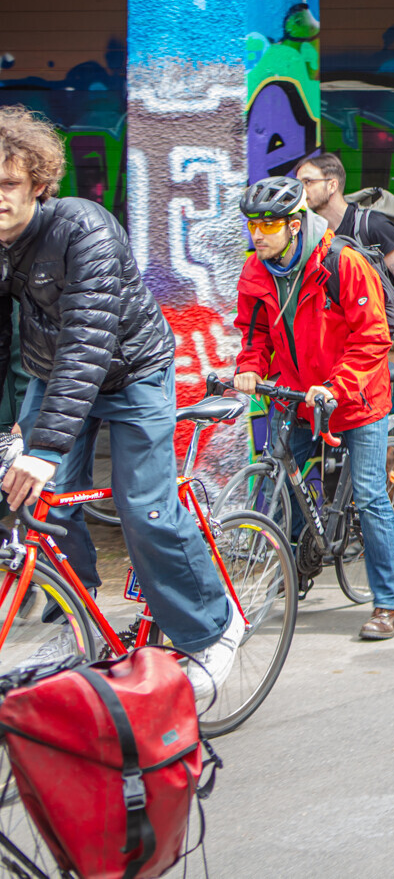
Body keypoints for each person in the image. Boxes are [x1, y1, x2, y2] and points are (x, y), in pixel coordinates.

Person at [0, 106, 242, 698]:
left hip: (131, 374)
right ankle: (78, 624)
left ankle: (211, 628)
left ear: (37, 182)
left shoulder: (83, 229)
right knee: (43, 508)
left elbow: (88, 340)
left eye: (7, 183)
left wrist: (43, 447)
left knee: (145, 508)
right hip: (52, 376)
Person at [232, 177, 394, 641]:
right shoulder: (256, 270)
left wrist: (336, 386)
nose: (258, 233)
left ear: (293, 224)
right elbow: (255, 335)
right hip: (299, 396)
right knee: (284, 481)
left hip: (358, 397)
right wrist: (249, 367)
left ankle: (386, 602)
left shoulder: (341, 263)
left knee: (369, 494)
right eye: (253, 224)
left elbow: (373, 340)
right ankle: (299, 564)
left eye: (268, 224)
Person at [293, 151, 394, 341]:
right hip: (334, 342)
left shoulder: (372, 225)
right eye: (298, 184)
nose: (301, 191)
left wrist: (374, 317)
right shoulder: (310, 234)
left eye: (308, 182)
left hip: (379, 339)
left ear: (332, 185)